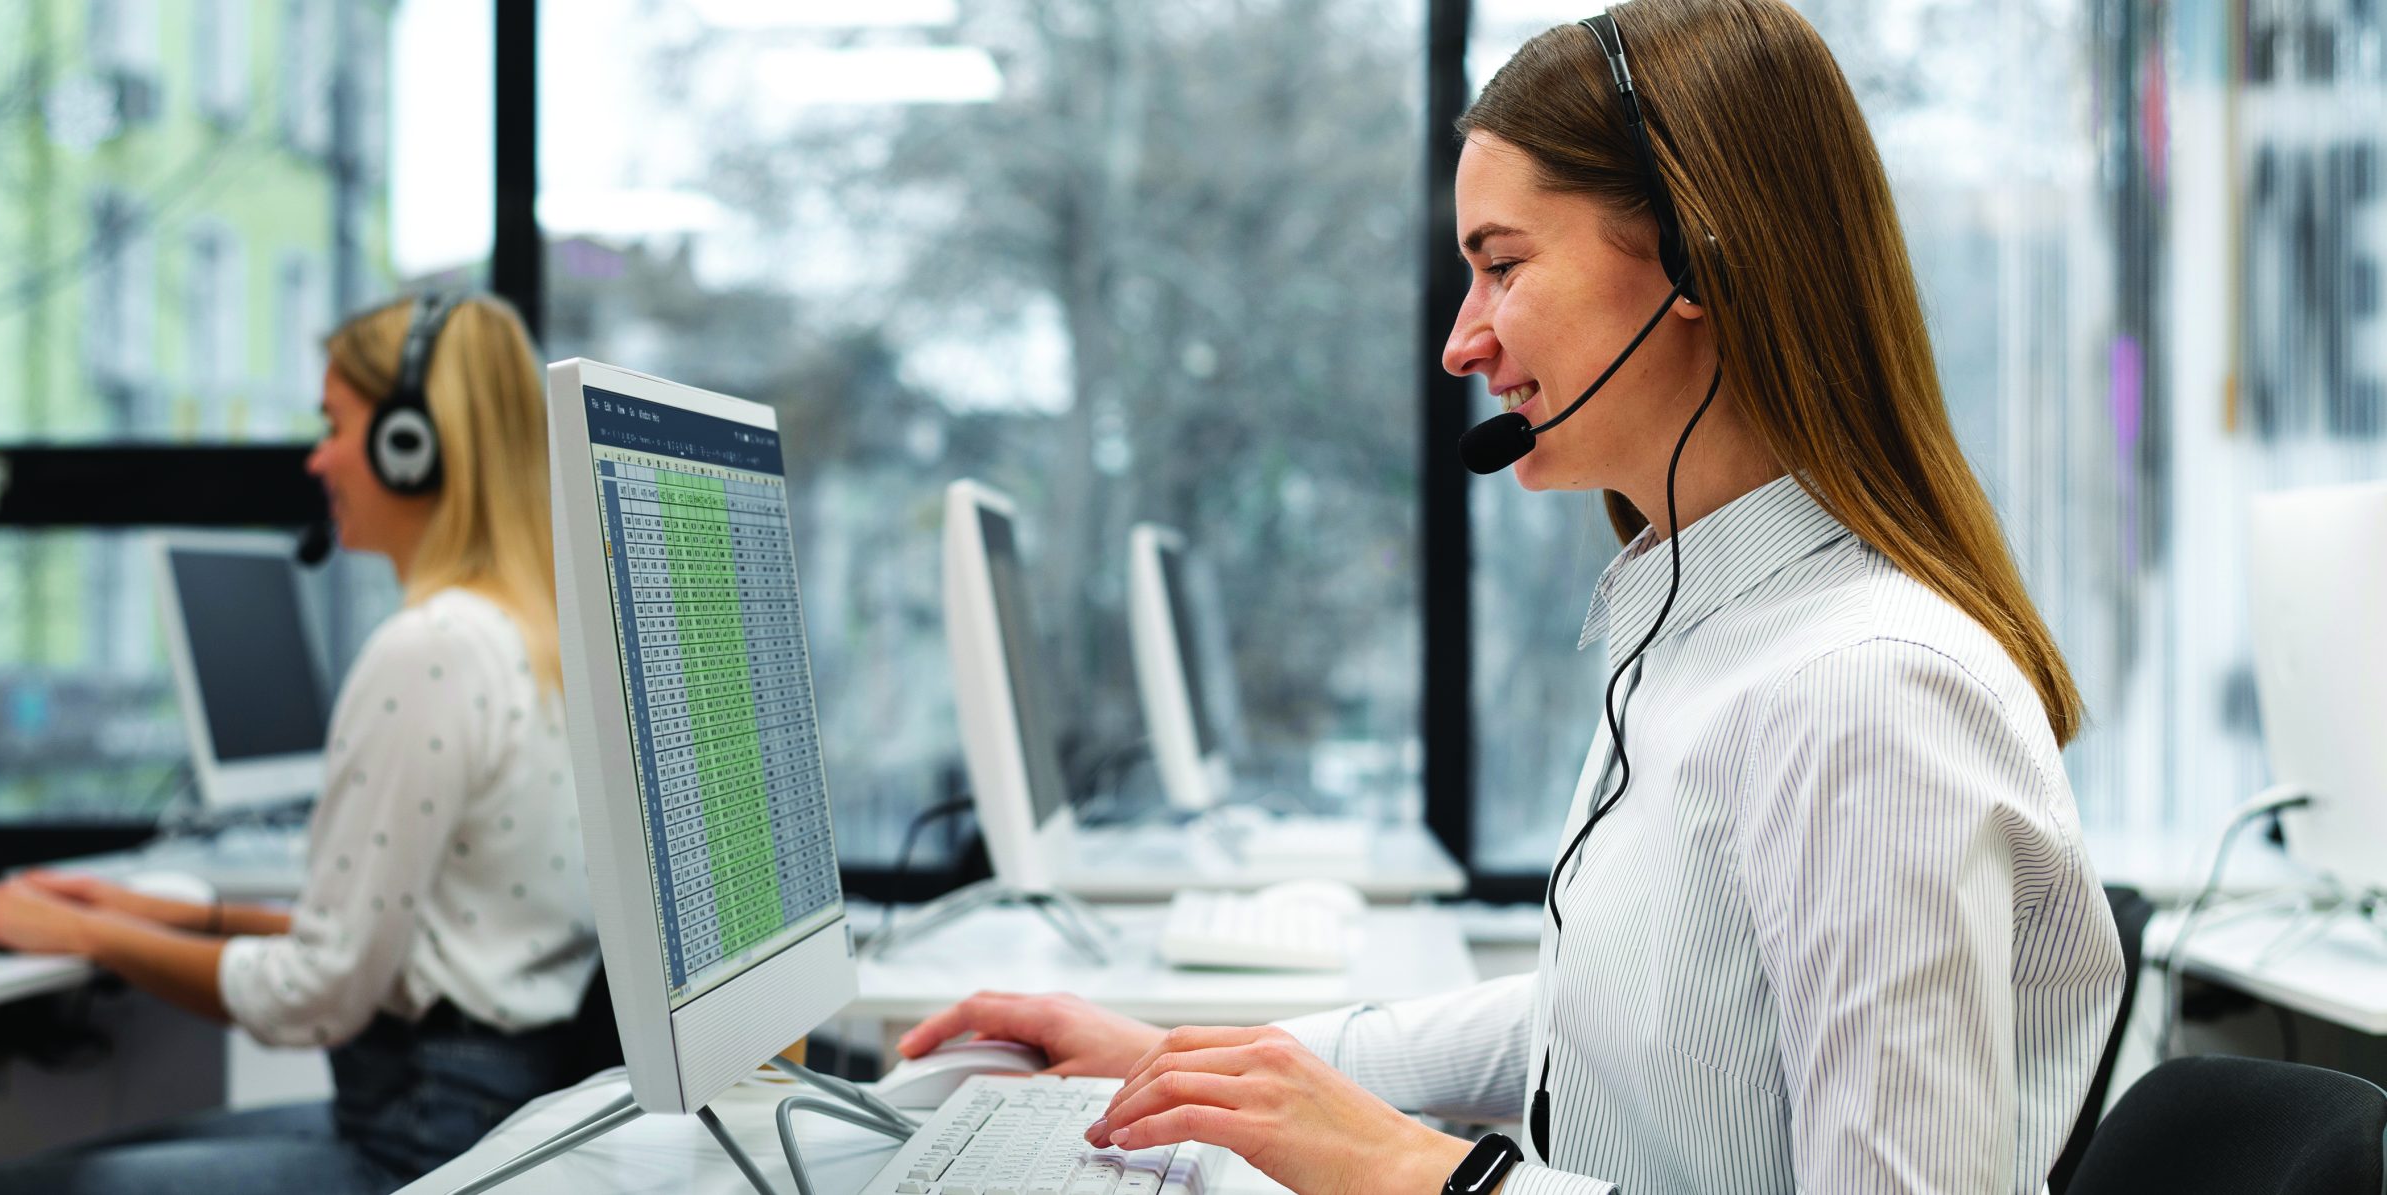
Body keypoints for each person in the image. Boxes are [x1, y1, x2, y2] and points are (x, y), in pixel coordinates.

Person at [889, 2, 2123, 1192]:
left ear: (1696, 249)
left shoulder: (1862, 694)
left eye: (1501, 266)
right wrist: (1213, 1066)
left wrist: (1424, 1175)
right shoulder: (1703, 632)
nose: (1462, 343)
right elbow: (1626, 1014)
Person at [0, 294, 601, 1195]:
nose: (317, 458)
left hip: (418, 1138)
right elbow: (422, 946)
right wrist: (166, 916)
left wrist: (85, 931)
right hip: (488, 1110)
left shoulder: (432, 649)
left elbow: (316, 991)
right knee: (101, 1152)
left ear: (414, 446)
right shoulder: (540, 635)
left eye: (335, 425)